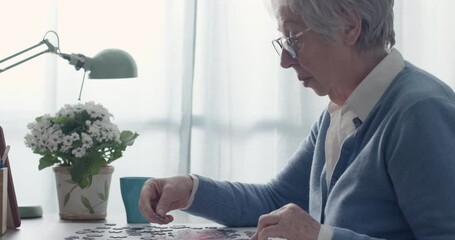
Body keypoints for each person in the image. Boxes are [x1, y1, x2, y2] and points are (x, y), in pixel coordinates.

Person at [139, 0, 455, 239]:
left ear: (349, 27)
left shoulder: (420, 112)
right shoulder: (341, 110)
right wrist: (190, 189)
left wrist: (320, 236)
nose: (285, 60)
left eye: (294, 40)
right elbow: (275, 200)